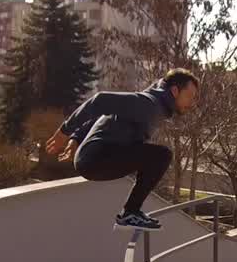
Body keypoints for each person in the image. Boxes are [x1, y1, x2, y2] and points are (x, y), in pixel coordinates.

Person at [45, 69, 200, 231]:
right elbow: (100, 100)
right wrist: (65, 132)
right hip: (96, 158)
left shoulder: (154, 105)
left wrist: (76, 138)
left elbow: (107, 114)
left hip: (96, 157)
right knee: (161, 156)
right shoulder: (149, 103)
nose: (192, 103)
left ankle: (131, 212)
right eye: (189, 96)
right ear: (175, 91)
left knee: (153, 157)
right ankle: (130, 212)